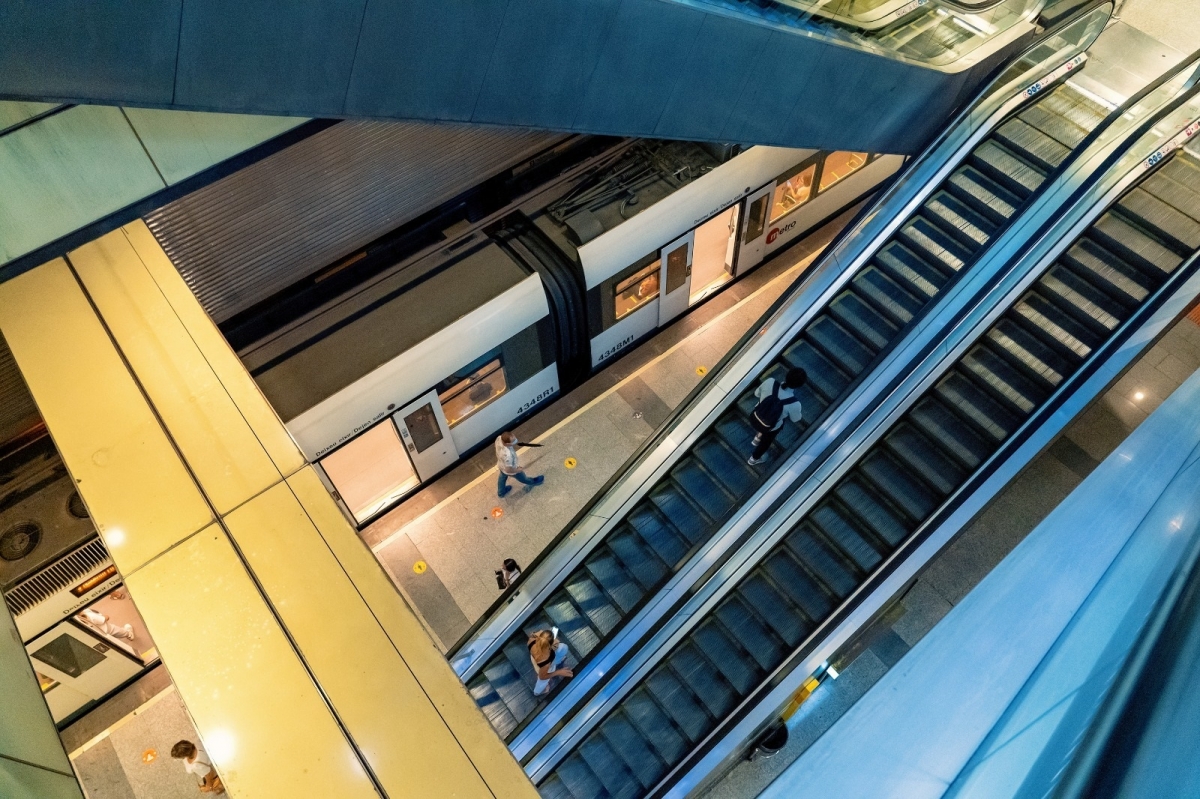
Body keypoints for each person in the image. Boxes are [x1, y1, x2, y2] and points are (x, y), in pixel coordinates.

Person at [748, 368, 807, 466]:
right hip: (770, 427)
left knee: (765, 416)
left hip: (755, 416)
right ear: (799, 385)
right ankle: (753, 459)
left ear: (787, 375)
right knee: (765, 443)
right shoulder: (794, 404)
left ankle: (758, 437)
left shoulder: (770, 382)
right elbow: (795, 419)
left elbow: (756, 393)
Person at [495, 432, 544, 497]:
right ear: (507, 444)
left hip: (501, 465)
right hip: (512, 470)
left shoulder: (499, 439)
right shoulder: (508, 455)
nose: (516, 440)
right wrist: (518, 470)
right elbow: (509, 469)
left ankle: (501, 492)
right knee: (523, 477)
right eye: (513, 441)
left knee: (502, 477)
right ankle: (532, 482)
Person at [528, 628, 573, 696]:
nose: (557, 640)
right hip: (542, 667)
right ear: (550, 646)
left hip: (535, 656)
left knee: (563, 647)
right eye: (554, 641)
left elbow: (542, 634)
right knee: (543, 680)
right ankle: (538, 691)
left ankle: (557, 661)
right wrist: (559, 672)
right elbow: (542, 676)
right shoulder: (546, 661)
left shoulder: (533, 637)